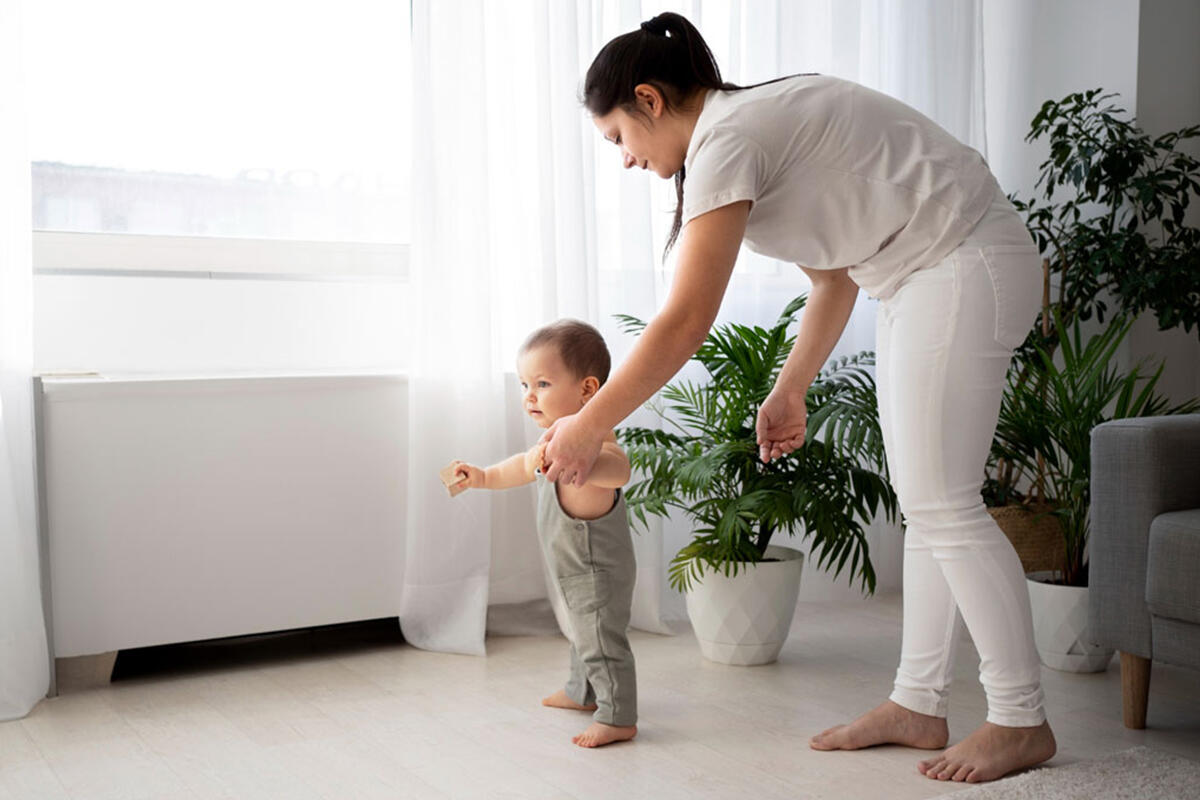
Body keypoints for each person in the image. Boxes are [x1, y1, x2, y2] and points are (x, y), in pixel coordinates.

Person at [539, 11, 1056, 783]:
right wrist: (790, 389)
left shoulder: (726, 140)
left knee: (945, 504)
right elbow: (833, 276)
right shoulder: (737, 133)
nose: (624, 158)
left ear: (649, 99)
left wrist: (589, 421)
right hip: (922, 272)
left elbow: (685, 321)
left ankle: (1020, 717)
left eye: (618, 136)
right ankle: (918, 702)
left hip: (961, 257)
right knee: (930, 505)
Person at [450, 319, 639, 748]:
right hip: (572, 569)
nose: (529, 396)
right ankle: (582, 692)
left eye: (542, 383)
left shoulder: (598, 443)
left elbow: (619, 471)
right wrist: (481, 477)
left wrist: (590, 462)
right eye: (524, 385)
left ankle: (617, 716)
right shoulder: (551, 445)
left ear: (587, 390)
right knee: (580, 632)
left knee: (601, 641)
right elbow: (519, 467)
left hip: (597, 572)